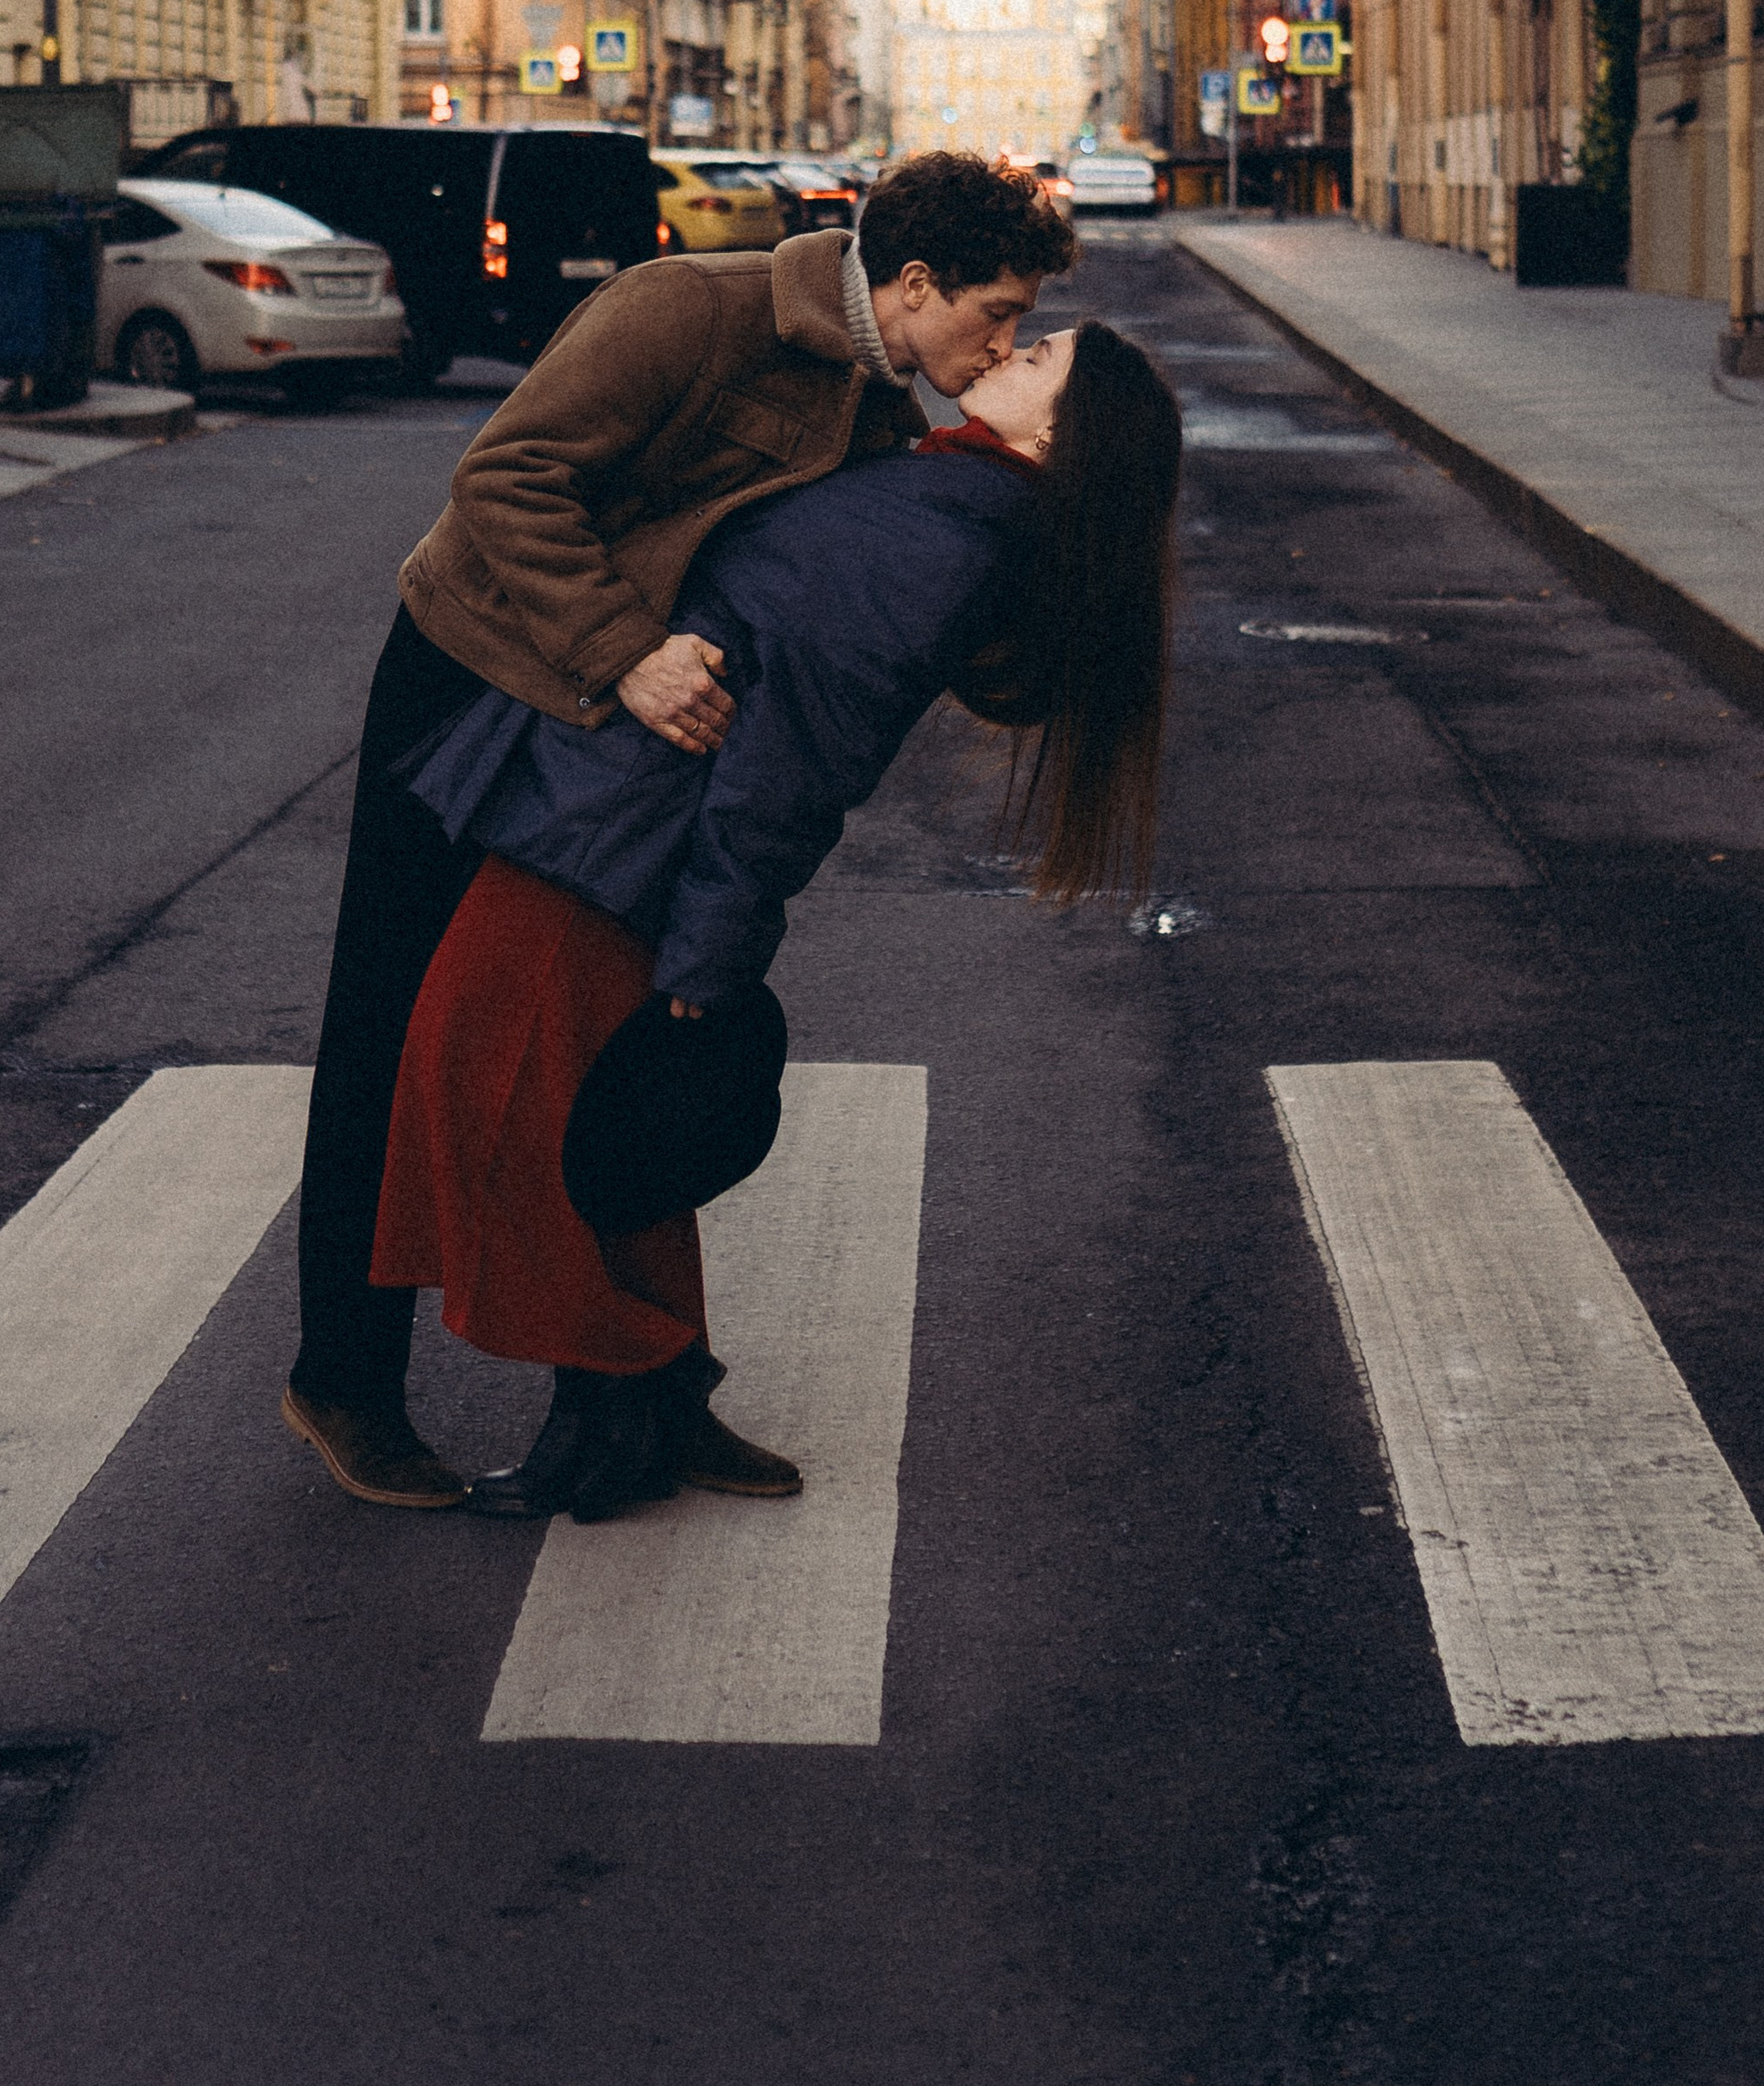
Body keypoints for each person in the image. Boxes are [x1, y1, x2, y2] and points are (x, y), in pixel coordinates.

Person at [283, 151, 1078, 1511]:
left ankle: (655, 1389)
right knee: (393, 1025)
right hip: (476, 673)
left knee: (618, 1057)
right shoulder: (688, 310)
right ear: (915, 282)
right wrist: (629, 654)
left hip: (609, 744)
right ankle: (344, 1385)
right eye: (994, 316)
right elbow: (506, 479)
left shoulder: (882, 401)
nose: (1001, 344)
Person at [369, 314, 1185, 1522]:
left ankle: (612, 1405)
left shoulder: (946, 543)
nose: (1006, 349)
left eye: (1035, 357)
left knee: (493, 1103)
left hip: (618, 837)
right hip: (617, 815)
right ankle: (663, 1391)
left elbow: (793, 762)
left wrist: (710, 956)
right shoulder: (950, 490)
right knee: (587, 1119)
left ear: (1059, 433)